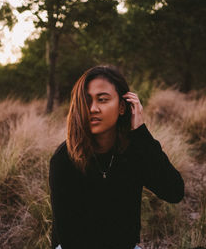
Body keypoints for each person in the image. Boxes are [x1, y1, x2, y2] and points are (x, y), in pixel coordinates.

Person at [49, 65, 184, 249]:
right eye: (86, 101)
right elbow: (69, 238)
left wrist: (141, 133)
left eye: (102, 100)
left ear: (122, 107)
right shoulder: (64, 159)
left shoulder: (135, 150)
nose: (92, 108)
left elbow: (174, 191)